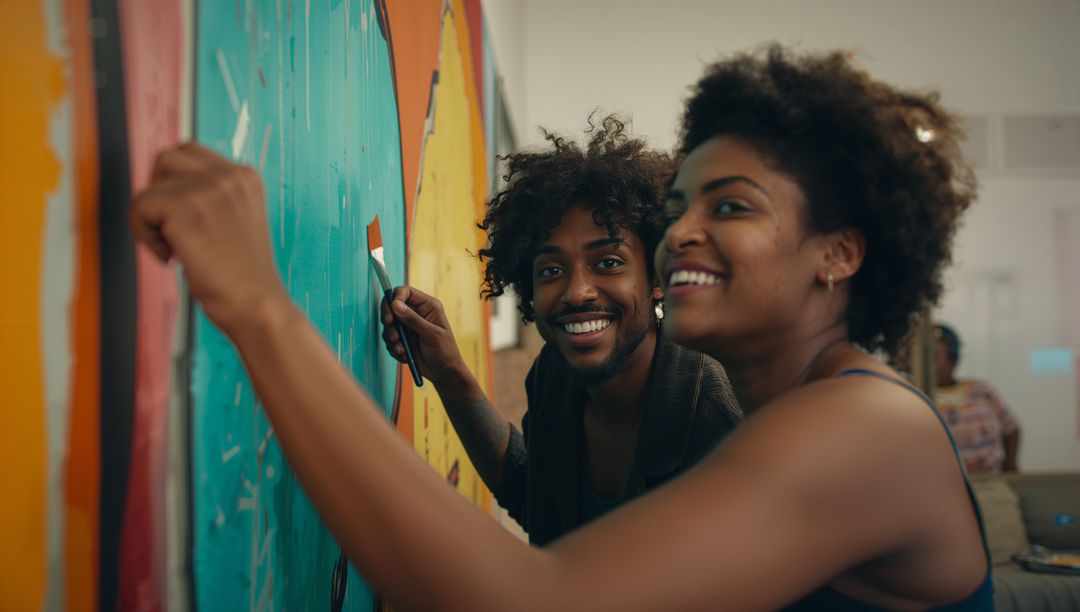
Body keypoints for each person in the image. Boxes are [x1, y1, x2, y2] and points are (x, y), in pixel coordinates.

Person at [130, 45, 991, 609]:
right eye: (681, 207)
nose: (683, 231)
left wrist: (257, 304)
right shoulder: (780, 406)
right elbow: (539, 495)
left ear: (838, 254)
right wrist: (460, 380)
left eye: (730, 206)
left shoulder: (862, 429)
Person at [379, 116, 741, 544]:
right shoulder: (554, 373)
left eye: (607, 262)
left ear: (658, 276)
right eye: (551, 269)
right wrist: (450, 372)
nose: (577, 292)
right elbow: (535, 499)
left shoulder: (712, 412)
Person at [934, 323, 1021, 473]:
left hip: (990, 480)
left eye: (936, 356)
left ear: (953, 357)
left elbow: (1011, 428)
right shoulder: (914, 396)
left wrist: (1010, 466)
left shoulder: (981, 389)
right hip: (944, 482)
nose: (932, 364)